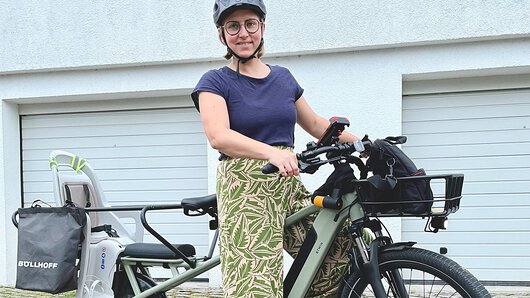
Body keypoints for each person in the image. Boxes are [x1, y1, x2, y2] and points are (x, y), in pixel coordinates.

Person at [191, 1, 362, 296]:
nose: (243, 33)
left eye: (250, 24)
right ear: (222, 34)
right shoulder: (215, 81)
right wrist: (271, 152)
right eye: (233, 26)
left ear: (262, 28)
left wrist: (365, 143)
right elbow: (219, 136)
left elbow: (317, 126)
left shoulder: (282, 78)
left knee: (336, 248)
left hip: (286, 183)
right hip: (245, 188)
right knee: (255, 282)